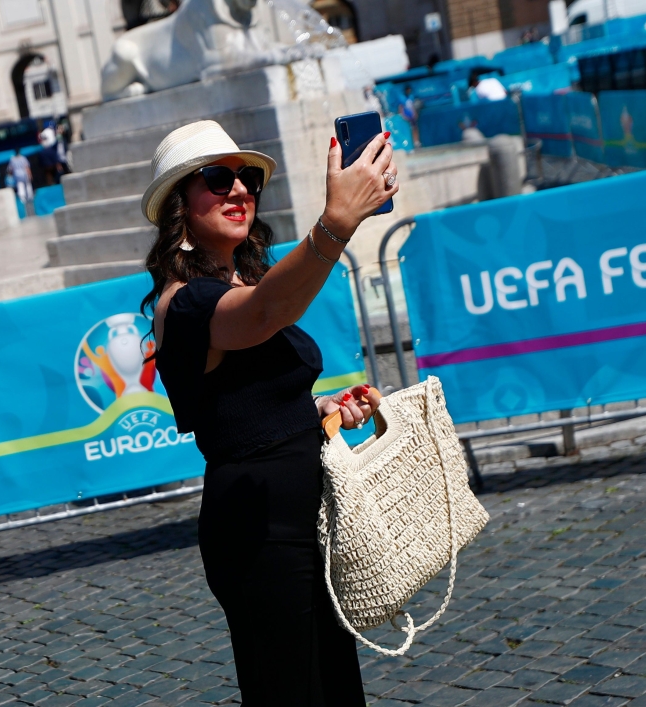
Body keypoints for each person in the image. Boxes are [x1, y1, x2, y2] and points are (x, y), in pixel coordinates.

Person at [140, 120, 398, 705]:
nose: (238, 191)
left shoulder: (238, 278)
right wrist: (337, 222)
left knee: (335, 689)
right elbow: (265, 311)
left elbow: (246, 399)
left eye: (247, 177)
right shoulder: (185, 303)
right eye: (215, 178)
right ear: (179, 206)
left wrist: (318, 410)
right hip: (258, 530)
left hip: (302, 520)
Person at [6, 148, 34, 215]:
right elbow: (27, 167)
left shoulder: (12, 159)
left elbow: (10, 170)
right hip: (24, 174)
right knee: (27, 187)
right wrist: (30, 174)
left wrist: (11, 176)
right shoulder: (23, 158)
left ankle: (23, 200)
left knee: (21, 188)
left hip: (17, 175)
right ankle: (29, 199)